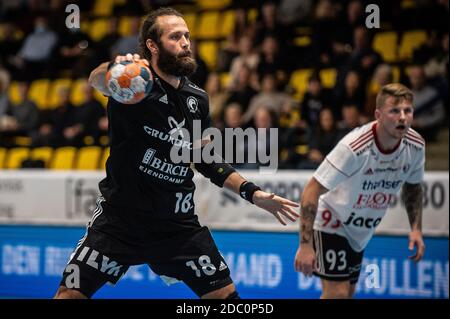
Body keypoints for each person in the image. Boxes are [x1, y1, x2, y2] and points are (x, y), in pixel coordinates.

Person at [54, 7, 299, 299]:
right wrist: (113, 69)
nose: (185, 43)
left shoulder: (197, 98)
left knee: (227, 299)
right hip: (119, 222)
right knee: (69, 295)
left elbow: (205, 159)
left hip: (177, 226)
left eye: (187, 36)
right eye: (175, 37)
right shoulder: (130, 85)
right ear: (152, 46)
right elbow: (95, 80)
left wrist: (253, 193)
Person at [294, 83, 426, 299]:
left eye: (407, 111)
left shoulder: (416, 146)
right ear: (378, 115)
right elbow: (311, 190)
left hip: (360, 232)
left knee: (348, 294)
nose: (402, 117)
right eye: (394, 111)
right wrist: (305, 244)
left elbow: (413, 187)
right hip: (332, 221)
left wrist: (416, 229)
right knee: (337, 293)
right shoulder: (355, 147)